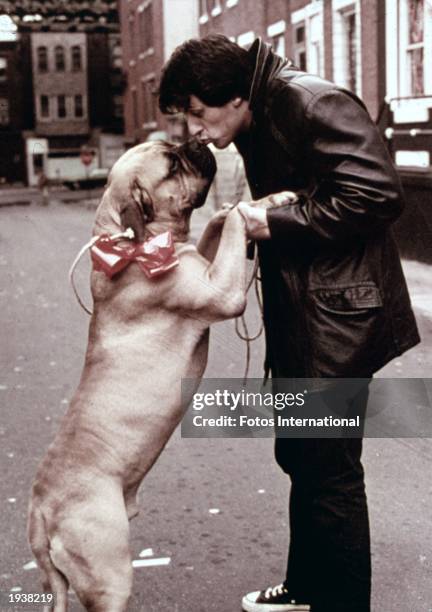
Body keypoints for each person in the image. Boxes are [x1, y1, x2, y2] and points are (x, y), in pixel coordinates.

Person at [158, 35, 420, 612]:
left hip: (339, 318)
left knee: (329, 469)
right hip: (309, 312)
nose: (196, 130)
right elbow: (315, 193)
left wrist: (274, 222)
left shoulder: (309, 102)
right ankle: (306, 586)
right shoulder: (260, 113)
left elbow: (378, 194)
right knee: (302, 453)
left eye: (198, 114)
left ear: (231, 95)